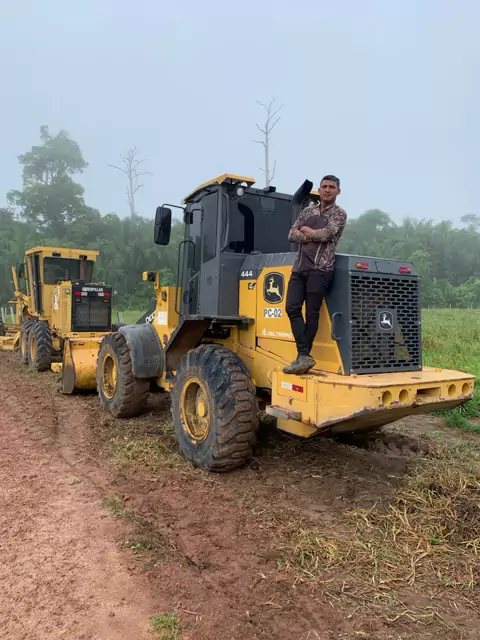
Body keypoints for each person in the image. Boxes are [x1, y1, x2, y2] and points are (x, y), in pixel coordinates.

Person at [284, 175, 347, 375]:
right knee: (291, 308)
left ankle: (303, 355)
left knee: (311, 313)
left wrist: (305, 230)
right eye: (324, 186)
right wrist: (311, 234)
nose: (327, 190)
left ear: (338, 191)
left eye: (332, 187)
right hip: (299, 267)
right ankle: (304, 355)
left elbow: (327, 234)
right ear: (319, 190)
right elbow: (291, 234)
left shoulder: (339, 214)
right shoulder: (307, 211)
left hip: (321, 269)